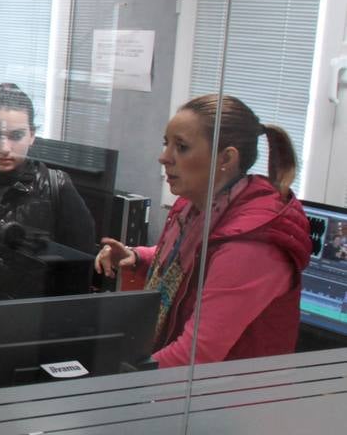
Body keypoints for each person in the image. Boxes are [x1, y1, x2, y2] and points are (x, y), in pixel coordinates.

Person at [95, 95, 311, 368]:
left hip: (226, 393)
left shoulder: (251, 246)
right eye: (166, 143)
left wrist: (116, 379)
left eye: (181, 147)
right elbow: (192, 264)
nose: (164, 157)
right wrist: (139, 256)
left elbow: (195, 355)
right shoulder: (197, 206)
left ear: (226, 158)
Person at [0, 83, 96, 261]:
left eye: (16, 136)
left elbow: (81, 263)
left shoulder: (55, 187)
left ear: (32, 135)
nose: (5, 148)